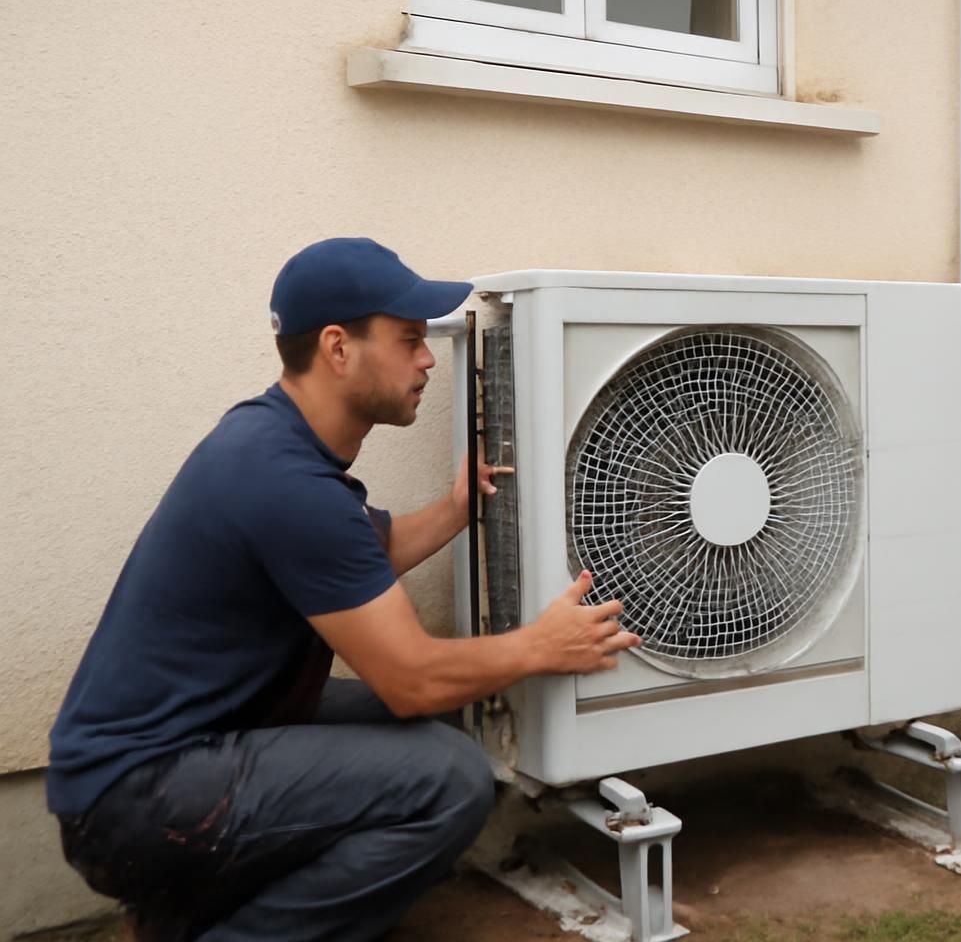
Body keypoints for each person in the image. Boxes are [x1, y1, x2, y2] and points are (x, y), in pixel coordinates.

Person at [46, 237, 642, 939]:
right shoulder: (287, 482)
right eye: (409, 339)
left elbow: (361, 555)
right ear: (338, 347)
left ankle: (184, 913)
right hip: (139, 796)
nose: (427, 358)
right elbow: (411, 679)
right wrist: (541, 646)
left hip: (172, 758)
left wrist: (456, 511)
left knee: (453, 720)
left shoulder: (270, 438)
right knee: (450, 777)